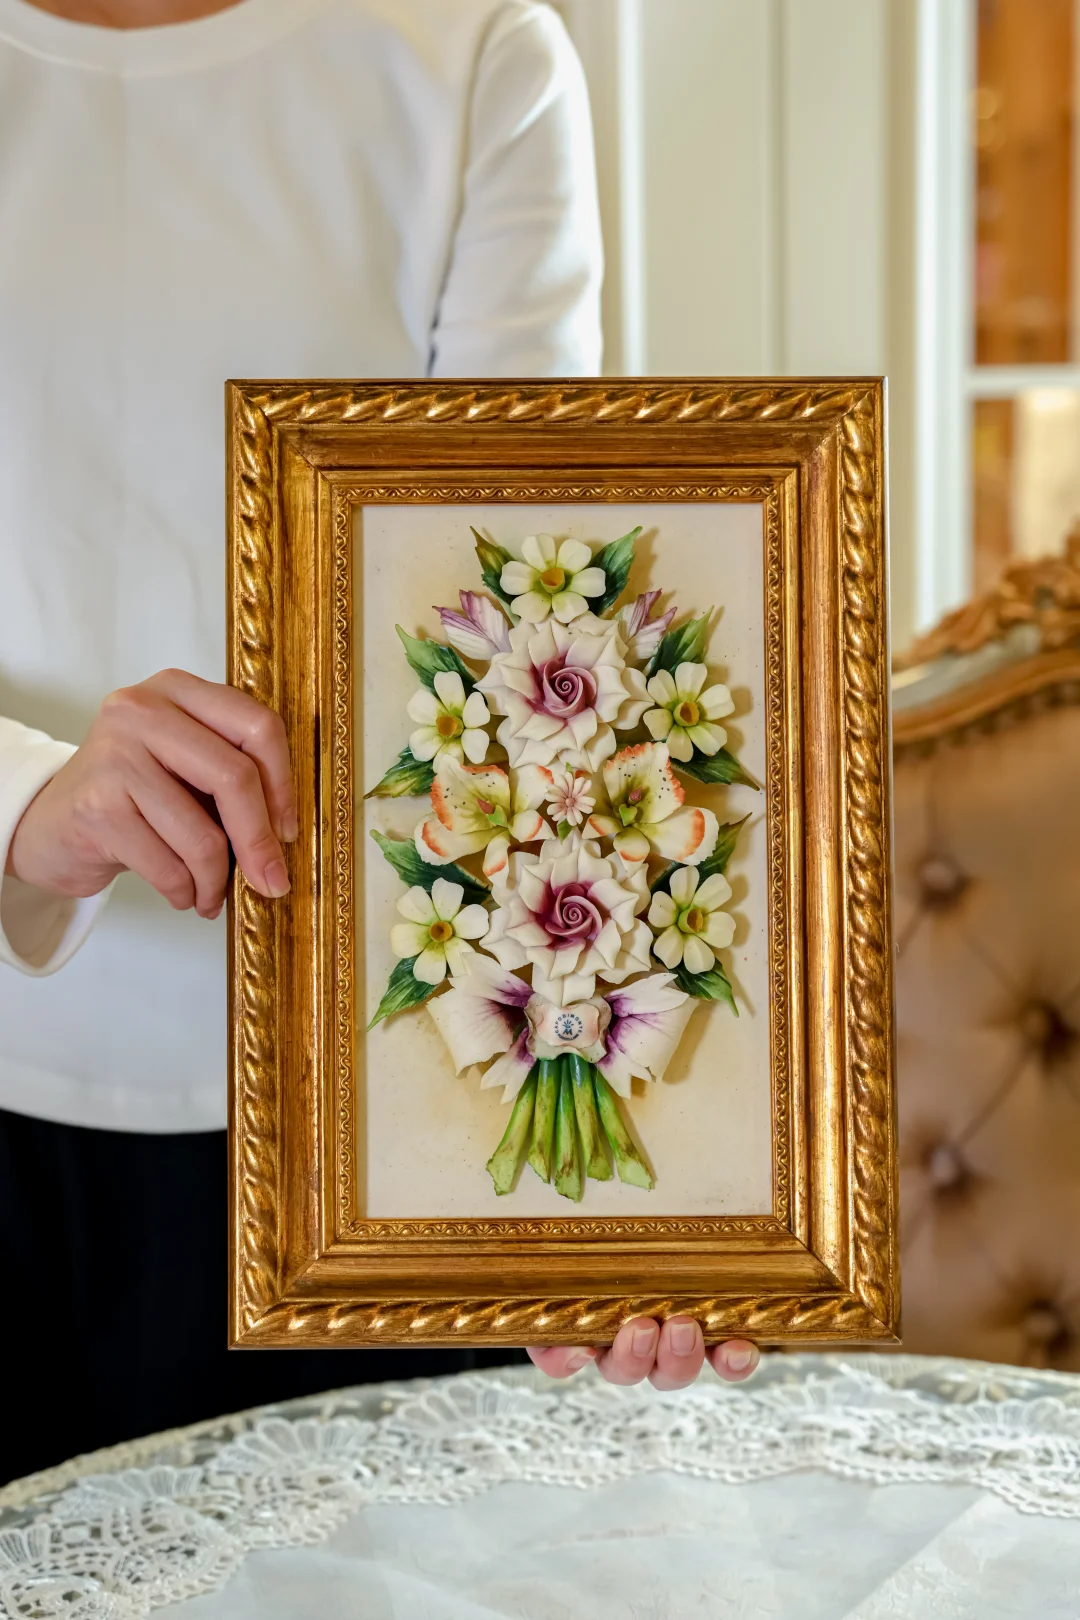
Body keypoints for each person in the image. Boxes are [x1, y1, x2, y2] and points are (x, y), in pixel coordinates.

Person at [0, 0, 758, 1481]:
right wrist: (29, 797)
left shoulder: (466, 54)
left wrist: (651, 1170)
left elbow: (541, 637)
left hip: (386, 1126)